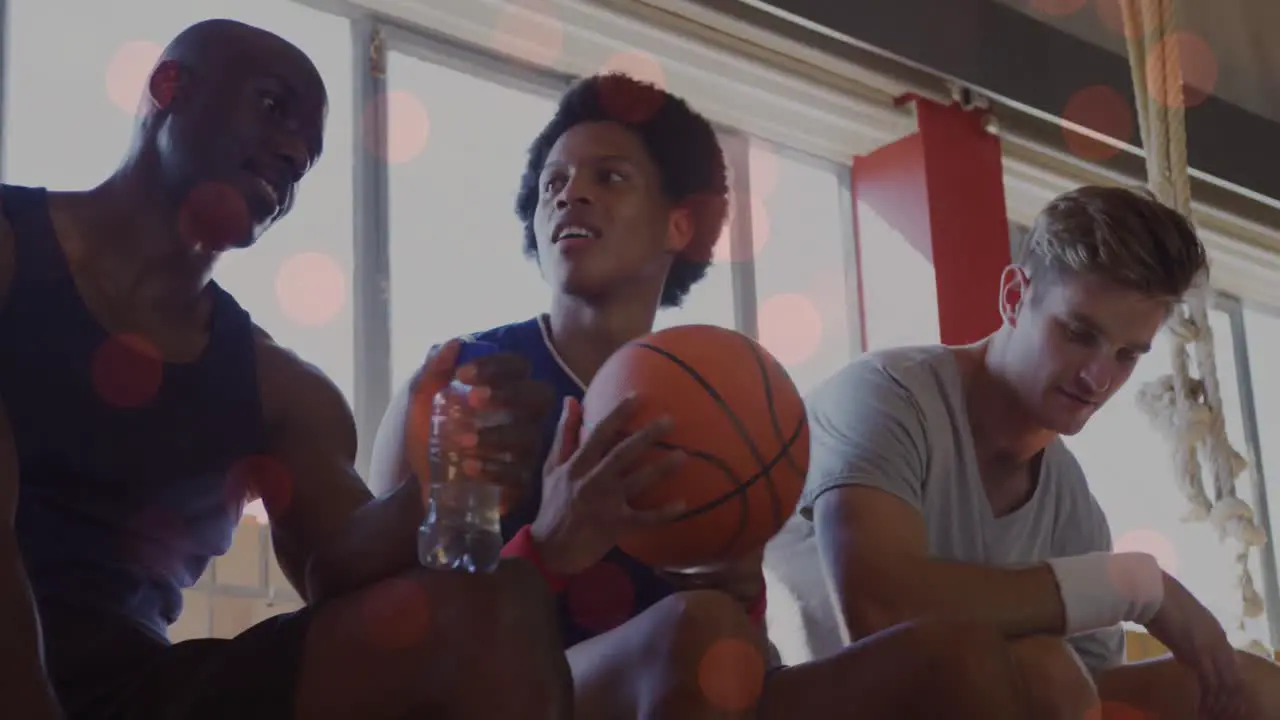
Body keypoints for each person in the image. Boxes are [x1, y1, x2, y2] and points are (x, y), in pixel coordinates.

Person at [372, 71, 1047, 719]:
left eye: (608, 177)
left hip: (689, 677)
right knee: (693, 631)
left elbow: (733, 637)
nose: (569, 194)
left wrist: (743, 589)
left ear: (680, 225)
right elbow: (388, 637)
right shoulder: (466, 380)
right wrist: (549, 546)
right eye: (553, 182)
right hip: (517, 695)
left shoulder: (732, 393)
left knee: (956, 656)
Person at [0, 18, 573, 720]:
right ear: (168, 86)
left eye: (310, 150)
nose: (296, 150)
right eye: (274, 107)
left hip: (128, 691)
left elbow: (334, 569)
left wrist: (432, 484)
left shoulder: (281, 388)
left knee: (494, 607)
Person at [794, 185, 1280, 719]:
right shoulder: (886, 398)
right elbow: (881, 611)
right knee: (1040, 672)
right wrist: (1132, 585)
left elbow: (1090, 696)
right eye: (1078, 333)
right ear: (1013, 296)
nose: (1099, 377)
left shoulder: (1070, 507)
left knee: (1257, 689)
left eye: (1127, 355)